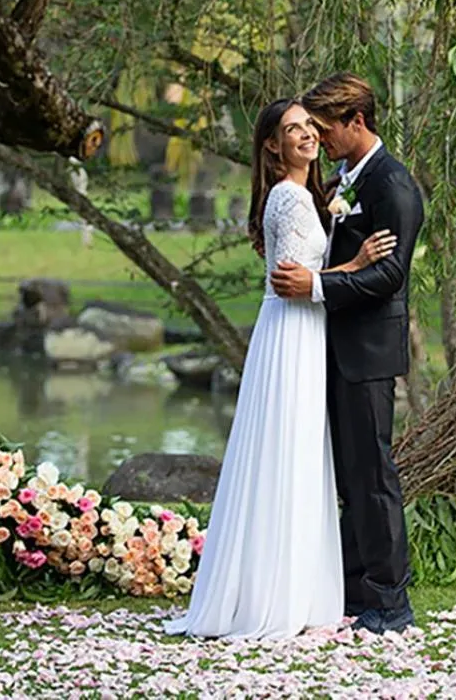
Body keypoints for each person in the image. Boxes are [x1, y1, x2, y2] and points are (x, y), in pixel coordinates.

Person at [164, 98, 397, 639]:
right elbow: (292, 283)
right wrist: (357, 264)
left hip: (303, 333)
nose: (306, 137)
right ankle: (280, 597)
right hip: (294, 334)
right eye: (293, 130)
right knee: (289, 454)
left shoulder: (308, 195)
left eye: (309, 127)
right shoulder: (289, 200)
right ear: (272, 145)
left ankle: (292, 590)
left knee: (295, 454)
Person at [270, 73, 424, 635]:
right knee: (348, 476)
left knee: (374, 473)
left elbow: (388, 275)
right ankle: (357, 589)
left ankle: (390, 600)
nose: (320, 138)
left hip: (368, 353)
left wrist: (315, 286)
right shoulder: (346, 179)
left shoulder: (393, 186)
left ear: (357, 122)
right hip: (330, 348)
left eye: (325, 128)